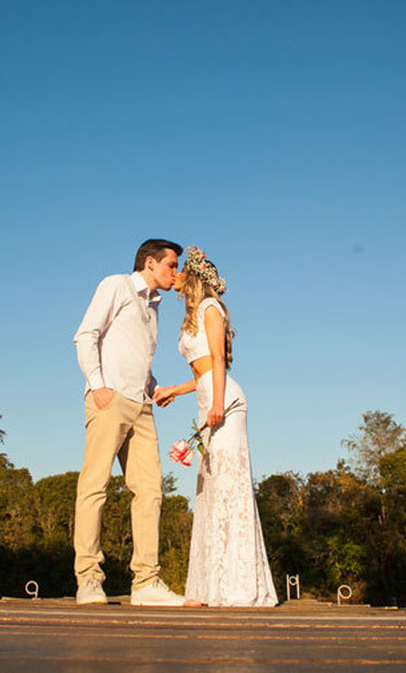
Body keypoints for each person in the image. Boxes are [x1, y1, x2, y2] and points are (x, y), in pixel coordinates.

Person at [155, 247, 278, 607]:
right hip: (209, 396)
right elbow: (203, 370)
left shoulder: (211, 309)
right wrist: (175, 390)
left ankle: (237, 587)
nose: (175, 276)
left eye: (181, 271)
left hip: (224, 402)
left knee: (228, 485)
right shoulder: (193, 315)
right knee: (209, 488)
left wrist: (218, 403)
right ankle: (211, 586)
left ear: (194, 278)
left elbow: (219, 362)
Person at [72, 238, 187, 607]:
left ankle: (146, 582)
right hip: (109, 399)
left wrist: (155, 389)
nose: (176, 273)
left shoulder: (154, 308)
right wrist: (98, 385)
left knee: (151, 491)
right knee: (95, 486)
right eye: (172, 265)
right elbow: (85, 335)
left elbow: (137, 357)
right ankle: (89, 578)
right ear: (150, 263)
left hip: (141, 405)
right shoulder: (116, 285)